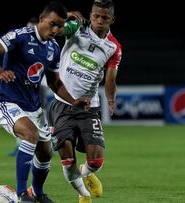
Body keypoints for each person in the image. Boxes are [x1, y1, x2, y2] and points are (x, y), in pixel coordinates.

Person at [0, 1, 90, 203]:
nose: (56, 30)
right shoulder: (20, 36)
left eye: (60, 26)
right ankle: (22, 194)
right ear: (41, 19)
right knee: (29, 135)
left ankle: (37, 194)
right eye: (52, 24)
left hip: (34, 108)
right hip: (8, 103)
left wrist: (73, 101)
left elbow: (55, 83)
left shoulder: (53, 48)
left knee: (46, 153)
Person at [47, 0, 122, 202]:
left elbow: (111, 77)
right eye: (96, 16)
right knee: (67, 158)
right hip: (62, 104)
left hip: (89, 106)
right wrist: (64, 19)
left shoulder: (114, 47)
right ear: (91, 14)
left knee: (96, 160)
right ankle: (84, 195)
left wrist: (111, 99)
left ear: (112, 20)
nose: (98, 21)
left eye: (104, 18)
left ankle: (87, 172)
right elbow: (56, 31)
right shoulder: (77, 27)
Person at [7, 16, 40, 157]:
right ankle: (20, 146)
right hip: (21, 90)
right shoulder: (23, 43)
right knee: (21, 120)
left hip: (38, 90)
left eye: (31, 27)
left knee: (38, 120)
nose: (28, 30)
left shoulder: (44, 46)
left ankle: (48, 145)